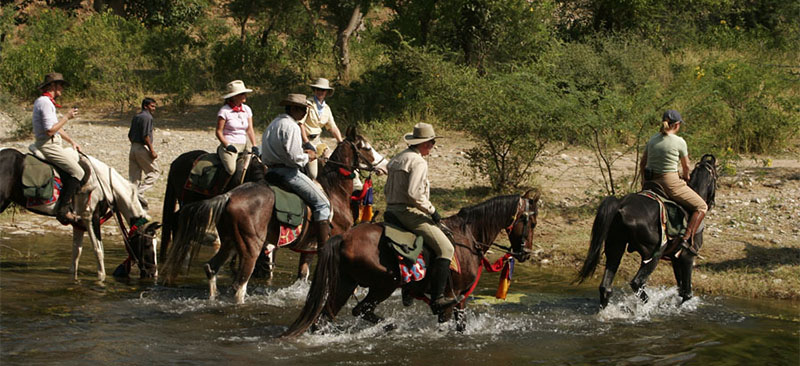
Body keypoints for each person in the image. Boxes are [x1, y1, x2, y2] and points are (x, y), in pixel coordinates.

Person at [384, 122, 458, 314]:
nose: (433, 147)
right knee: (446, 248)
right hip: (407, 212)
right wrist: (432, 211)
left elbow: (387, 190)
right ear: (425, 143)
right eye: (432, 143)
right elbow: (414, 194)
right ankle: (438, 298)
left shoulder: (396, 159)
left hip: (390, 211)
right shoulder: (418, 162)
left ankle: (409, 289)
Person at [261, 93, 331, 250]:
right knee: (323, 204)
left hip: (270, 172)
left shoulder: (274, 123)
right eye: (302, 109)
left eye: (305, 109)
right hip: (288, 173)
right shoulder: (291, 126)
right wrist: (310, 156)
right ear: (292, 108)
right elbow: (295, 159)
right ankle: (324, 249)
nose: (305, 113)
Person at [640, 109, 708, 255]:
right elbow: (686, 166)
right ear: (677, 125)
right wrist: (686, 177)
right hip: (670, 182)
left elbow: (643, 163)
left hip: (651, 182)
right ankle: (686, 240)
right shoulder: (679, 142)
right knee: (702, 206)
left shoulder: (652, 139)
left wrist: (644, 182)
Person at [32, 72, 83, 225]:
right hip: (48, 145)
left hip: (52, 142)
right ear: (52, 86)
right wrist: (66, 117)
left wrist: (71, 141)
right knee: (78, 172)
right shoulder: (46, 103)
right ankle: (63, 210)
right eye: (60, 85)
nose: (62, 88)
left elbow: (56, 128)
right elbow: (50, 130)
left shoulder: (46, 101)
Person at [299, 78, 343, 179]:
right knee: (313, 174)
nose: (320, 92)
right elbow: (300, 124)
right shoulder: (308, 104)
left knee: (332, 160)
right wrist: (306, 143)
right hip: (305, 140)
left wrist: (340, 142)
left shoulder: (326, 108)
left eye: (323, 90)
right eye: (318, 89)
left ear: (326, 92)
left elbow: (333, 127)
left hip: (317, 141)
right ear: (314, 90)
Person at [216, 80, 258, 176]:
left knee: (258, 165)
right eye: (242, 94)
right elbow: (218, 132)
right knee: (231, 169)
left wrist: (254, 145)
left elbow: (250, 129)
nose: (245, 96)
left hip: (244, 143)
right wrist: (227, 145)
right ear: (234, 96)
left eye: (244, 94)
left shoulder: (247, 109)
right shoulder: (224, 111)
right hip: (230, 144)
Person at [128, 97, 160, 207]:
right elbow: (146, 136)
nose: (154, 108)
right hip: (142, 147)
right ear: (145, 106)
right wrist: (152, 151)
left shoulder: (136, 117)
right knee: (155, 172)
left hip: (133, 147)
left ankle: (133, 201)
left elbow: (130, 135)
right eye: (152, 106)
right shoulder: (147, 117)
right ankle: (139, 193)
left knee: (134, 177)